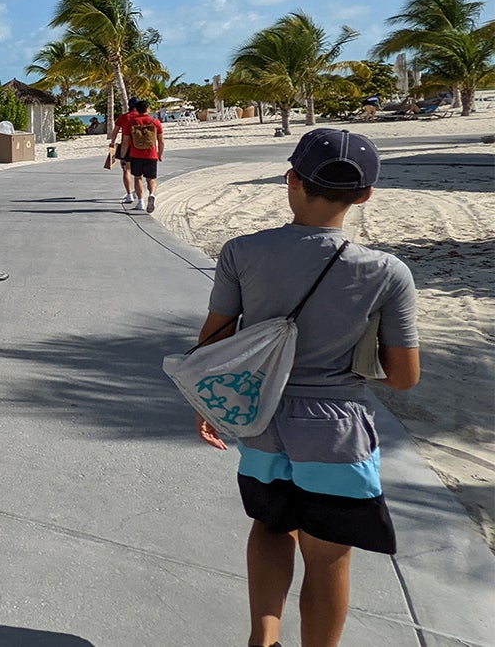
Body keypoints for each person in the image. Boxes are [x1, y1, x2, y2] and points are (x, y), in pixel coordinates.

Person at [193, 128, 419, 647]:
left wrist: (215, 407)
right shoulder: (387, 273)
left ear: (291, 180)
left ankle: (262, 640)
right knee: (329, 552)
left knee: (271, 528)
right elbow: (405, 377)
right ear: (365, 195)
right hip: (336, 431)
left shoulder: (242, 252)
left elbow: (214, 346)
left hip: (262, 419)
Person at [123, 99, 163, 212]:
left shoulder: (131, 122)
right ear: (148, 109)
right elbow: (161, 141)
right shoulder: (155, 122)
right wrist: (159, 154)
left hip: (135, 154)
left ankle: (141, 202)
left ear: (136, 109)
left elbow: (126, 141)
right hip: (151, 155)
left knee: (138, 178)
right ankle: (152, 194)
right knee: (151, 179)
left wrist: (123, 156)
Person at [108, 97, 141, 203]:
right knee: (138, 172)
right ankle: (137, 191)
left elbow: (115, 132)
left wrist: (112, 143)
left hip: (126, 147)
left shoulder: (123, 117)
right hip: (139, 147)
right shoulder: (141, 116)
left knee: (126, 170)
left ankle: (129, 194)